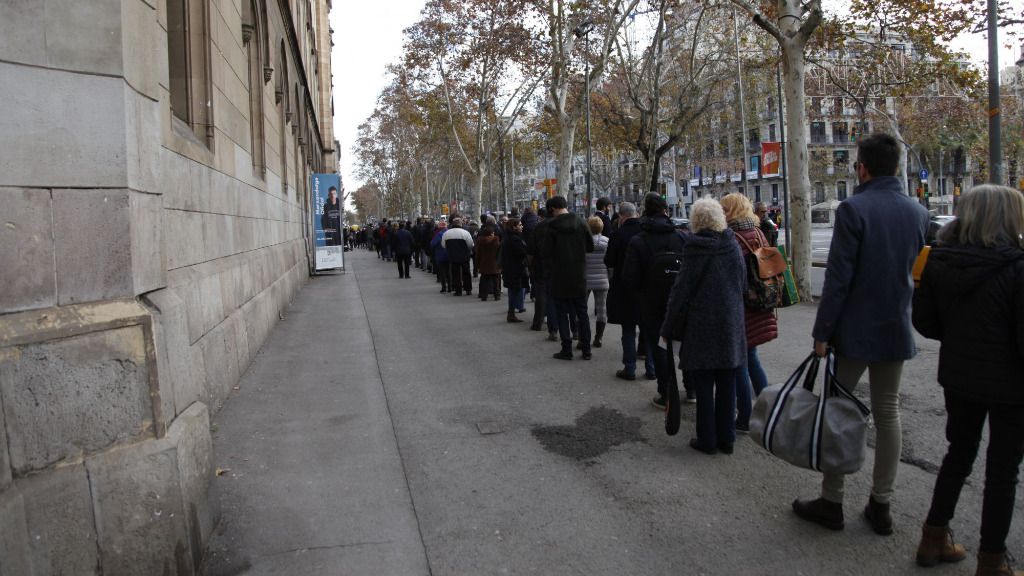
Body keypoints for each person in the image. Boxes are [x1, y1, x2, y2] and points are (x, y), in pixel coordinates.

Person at [794, 132, 930, 534]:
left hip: (853, 329)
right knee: (889, 413)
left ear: (863, 168)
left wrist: (822, 332)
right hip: (895, 326)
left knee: (840, 411)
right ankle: (881, 504)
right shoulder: (918, 212)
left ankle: (832, 500)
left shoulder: (854, 209)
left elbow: (838, 280)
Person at [911, 185, 1024, 576]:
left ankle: (932, 537)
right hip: (1011, 385)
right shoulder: (1017, 265)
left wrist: (959, 337)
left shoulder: (939, 258)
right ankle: (991, 561)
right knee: (1002, 472)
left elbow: (924, 322)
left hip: (958, 377)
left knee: (958, 455)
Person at [660, 198, 746, 455]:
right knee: (727, 382)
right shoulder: (732, 245)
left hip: (701, 326)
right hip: (730, 323)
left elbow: (680, 291)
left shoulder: (694, 248)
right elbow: (742, 283)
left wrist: (667, 327)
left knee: (704, 384)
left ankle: (707, 439)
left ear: (695, 220)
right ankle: (727, 438)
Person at [720, 193, 778, 434]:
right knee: (751, 357)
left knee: (739, 363)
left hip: (741, 306)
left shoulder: (732, 237)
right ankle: (768, 411)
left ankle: (745, 417)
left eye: (723, 208)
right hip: (761, 302)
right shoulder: (758, 232)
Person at [623, 193, 687, 407]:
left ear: (645, 212)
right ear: (665, 211)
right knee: (685, 343)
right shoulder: (680, 237)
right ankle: (693, 388)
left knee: (659, 346)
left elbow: (629, 277)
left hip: (650, 302)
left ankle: (666, 392)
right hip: (678, 300)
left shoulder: (639, 240)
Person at [605, 202, 654, 381]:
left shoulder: (618, 235)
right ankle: (651, 368)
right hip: (647, 288)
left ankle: (630, 368)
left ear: (621, 216)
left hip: (625, 288)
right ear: (636, 214)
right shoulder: (647, 232)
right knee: (647, 330)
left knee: (628, 329)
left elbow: (609, 261)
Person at [541, 196, 594, 360]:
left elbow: (545, 252)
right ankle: (586, 349)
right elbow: (590, 246)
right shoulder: (581, 222)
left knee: (562, 313)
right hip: (579, 274)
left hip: (559, 276)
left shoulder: (551, 226)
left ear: (552, 209)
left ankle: (567, 349)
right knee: (582, 313)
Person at [584, 216, 610, 349]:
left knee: (582, 310)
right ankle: (598, 337)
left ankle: (582, 337)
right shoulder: (607, 242)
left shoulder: (583, 242)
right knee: (602, 310)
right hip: (602, 279)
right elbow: (610, 263)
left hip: (585, 280)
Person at [501, 217, 529, 323]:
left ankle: (512, 312)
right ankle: (512, 312)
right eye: (520, 225)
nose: (522, 226)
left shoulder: (509, 237)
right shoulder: (514, 239)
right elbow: (521, 253)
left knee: (514, 290)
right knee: (515, 290)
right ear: (514, 227)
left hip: (510, 268)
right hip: (515, 269)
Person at [442, 217, 475, 296]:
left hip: (453, 256)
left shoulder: (446, 233)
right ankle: (468, 289)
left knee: (455, 274)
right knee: (466, 273)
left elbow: (443, 245)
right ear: (461, 224)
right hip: (464, 256)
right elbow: (471, 245)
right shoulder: (465, 233)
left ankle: (458, 290)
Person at [475, 225, 502, 301]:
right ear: (491, 233)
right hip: (494, 264)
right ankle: (497, 295)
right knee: (496, 280)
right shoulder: (496, 241)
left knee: (484, 280)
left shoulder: (480, 242)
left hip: (484, 263)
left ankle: (484, 295)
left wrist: (477, 265)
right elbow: (499, 253)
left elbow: (478, 255)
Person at [430, 221, 450, 293]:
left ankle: (444, 287)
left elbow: (432, 244)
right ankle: (450, 287)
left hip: (440, 255)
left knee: (442, 272)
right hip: (449, 255)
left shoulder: (439, 234)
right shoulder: (450, 233)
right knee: (449, 272)